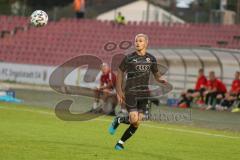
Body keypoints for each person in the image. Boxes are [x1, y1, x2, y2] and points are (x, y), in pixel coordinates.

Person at [108, 34, 167, 150]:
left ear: (146, 43)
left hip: (145, 93)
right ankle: (118, 120)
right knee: (134, 119)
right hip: (131, 92)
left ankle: (120, 142)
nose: (137, 43)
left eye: (140, 41)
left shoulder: (151, 59)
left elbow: (156, 74)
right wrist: (119, 91)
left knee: (137, 122)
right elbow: (120, 73)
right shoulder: (129, 58)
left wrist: (160, 79)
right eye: (136, 41)